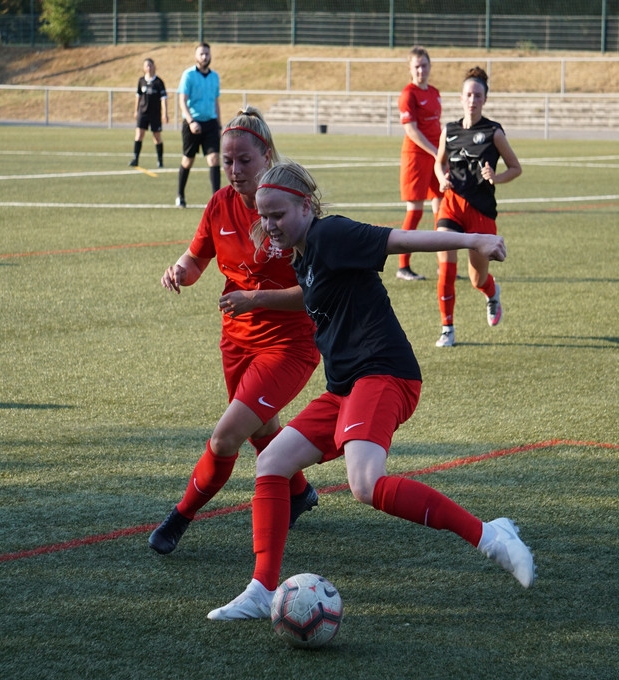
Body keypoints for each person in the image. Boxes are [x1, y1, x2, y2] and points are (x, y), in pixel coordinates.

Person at [206, 161, 535, 621]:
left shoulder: (331, 235)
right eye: (264, 215)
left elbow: (401, 239)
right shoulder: (303, 251)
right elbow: (313, 292)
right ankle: (262, 590)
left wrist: (472, 240)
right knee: (272, 462)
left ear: (306, 206)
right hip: (345, 387)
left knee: (364, 484)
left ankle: (491, 537)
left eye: (278, 214)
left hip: (384, 374)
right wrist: (258, 298)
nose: (269, 225)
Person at [150, 108, 322, 556]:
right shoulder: (218, 204)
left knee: (227, 434)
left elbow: (315, 289)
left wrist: (256, 299)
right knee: (259, 423)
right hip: (236, 338)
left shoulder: (288, 206)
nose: (234, 170)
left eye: (244, 160)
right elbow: (196, 259)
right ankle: (299, 491)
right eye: (227, 161)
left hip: (289, 345)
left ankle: (179, 518)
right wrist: (179, 273)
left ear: (266, 155)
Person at [433, 66, 522, 348]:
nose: (473, 99)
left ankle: (492, 292)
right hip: (452, 206)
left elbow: (516, 168)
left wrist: (496, 177)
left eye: (478, 95)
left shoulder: (494, 132)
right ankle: (447, 328)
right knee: (445, 266)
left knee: (476, 278)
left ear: (484, 99)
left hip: (481, 210)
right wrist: (441, 178)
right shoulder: (449, 130)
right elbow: (439, 162)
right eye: (468, 94)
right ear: (461, 97)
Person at [396, 46, 442, 282]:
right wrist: (436, 152)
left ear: (430, 66)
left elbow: (437, 126)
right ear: (410, 69)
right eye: (416, 66)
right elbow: (411, 130)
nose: (421, 70)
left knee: (442, 209)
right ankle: (403, 266)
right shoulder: (408, 94)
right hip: (417, 156)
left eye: (424, 65)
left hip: (436, 157)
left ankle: (443, 264)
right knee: (414, 211)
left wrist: (443, 152)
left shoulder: (434, 92)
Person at [175, 42, 221, 208]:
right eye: (201, 54)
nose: (204, 57)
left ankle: (216, 200)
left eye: (207, 54)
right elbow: (182, 101)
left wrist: (219, 124)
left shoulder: (215, 76)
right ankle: (180, 195)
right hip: (192, 124)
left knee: (214, 159)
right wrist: (191, 121)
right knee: (188, 161)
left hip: (210, 123)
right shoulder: (188, 75)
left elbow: (216, 101)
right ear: (196, 56)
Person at [129, 58, 169, 169]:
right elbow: (138, 96)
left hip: (155, 114)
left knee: (157, 137)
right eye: (146, 65)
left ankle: (160, 161)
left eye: (150, 65)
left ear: (154, 66)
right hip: (143, 113)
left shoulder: (159, 82)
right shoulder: (141, 81)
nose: (149, 67)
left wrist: (165, 113)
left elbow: (164, 99)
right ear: (144, 68)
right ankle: (135, 158)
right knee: (139, 135)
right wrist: (136, 110)